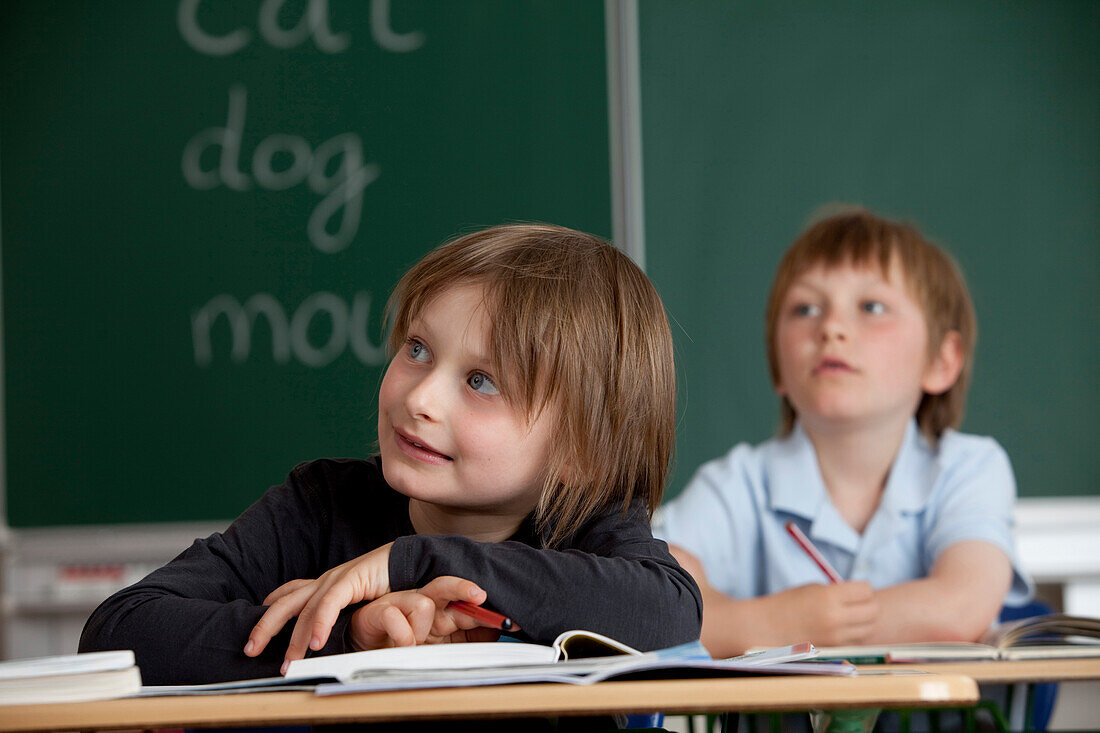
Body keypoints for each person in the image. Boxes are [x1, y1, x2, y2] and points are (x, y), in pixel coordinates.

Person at [81, 223, 702, 684]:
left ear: (581, 454)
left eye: (481, 381)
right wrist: (347, 638)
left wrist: (409, 563)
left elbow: (670, 615)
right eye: (418, 350)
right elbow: (118, 633)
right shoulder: (322, 506)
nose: (422, 397)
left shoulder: (587, 523)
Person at [653, 207, 1031, 658]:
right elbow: (656, 595)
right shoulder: (740, 484)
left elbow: (962, 602)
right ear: (778, 365)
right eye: (805, 309)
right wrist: (780, 621)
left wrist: (806, 630)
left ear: (941, 361)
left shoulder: (969, 467)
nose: (830, 327)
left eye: (872, 307)